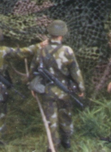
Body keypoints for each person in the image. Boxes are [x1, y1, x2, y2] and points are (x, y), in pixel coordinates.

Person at [29, 19, 85, 150]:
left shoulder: (41, 50)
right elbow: (76, 71)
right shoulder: (67, 50)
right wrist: (81, 88)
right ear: (62, 35)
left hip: (47, 91)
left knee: (51, 119)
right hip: (64, 90)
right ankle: (66, 141)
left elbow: (33, 69)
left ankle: (53, 145)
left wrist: (33, 85)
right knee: (65, 115)